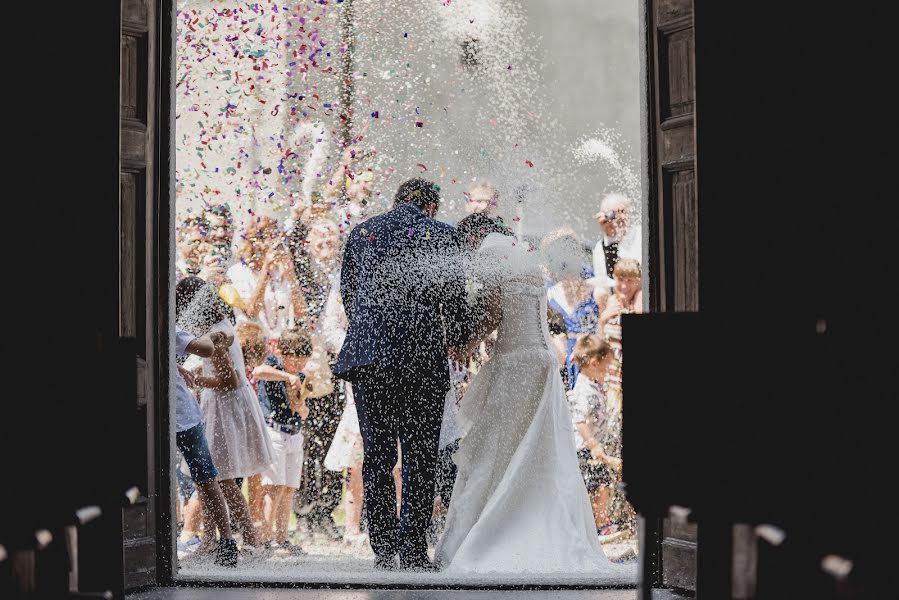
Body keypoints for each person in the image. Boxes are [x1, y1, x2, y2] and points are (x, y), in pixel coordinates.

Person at [434, 215, 625, 577]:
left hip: (515, 364)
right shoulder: (530, 265)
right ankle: (542, 521)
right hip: (544, 365)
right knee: (541, 449)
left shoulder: (495, 259)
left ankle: (496, 527)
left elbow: (492, 312)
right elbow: (546, 315)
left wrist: (467, 345)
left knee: (500, 447)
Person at [335, 178, 471, 571]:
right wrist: (460, 338)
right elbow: (454, 297)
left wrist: (373, 330)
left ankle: (382, 547)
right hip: (421, 360)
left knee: (377, 454)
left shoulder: (363, 232)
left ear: (396, 203)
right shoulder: (443, 234)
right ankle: (413, 548)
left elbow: (350, 293)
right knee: (420, 455)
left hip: (369, 357)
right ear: (431, 206)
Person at [176, 276, 273, 550]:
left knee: (223, 479)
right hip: (224, 405)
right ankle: (209, 541)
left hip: (224, 407)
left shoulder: (216, 336)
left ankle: (250, 541)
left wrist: (198, 379)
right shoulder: (221, 326)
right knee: (212, 478)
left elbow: (231, 381)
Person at [173, 326, 238, 567]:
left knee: (202, 479)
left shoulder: (145, 328)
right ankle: (227, 542)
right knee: (206, 479)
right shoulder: (169, 328)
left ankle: (225, 542)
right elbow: (207, 348)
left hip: (176, 415)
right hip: (183, 416)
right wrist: (211, 336)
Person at [252, 329, 316, 553]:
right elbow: (259, 371)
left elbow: (305, 411)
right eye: (293, 357)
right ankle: (265, 538)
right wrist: (286, 376)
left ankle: (282, 537)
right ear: (282, 353)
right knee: (273, 487)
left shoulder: (303, 377)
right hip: (274, 432)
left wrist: (301, 405)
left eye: (302, 358)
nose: (298, 362)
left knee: (288, 488)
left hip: (294, 433)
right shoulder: (273, 364)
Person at [569, 334, 621, 536]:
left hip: (592, 448)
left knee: (600, 485)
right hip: (585, 450)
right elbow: (580, 421)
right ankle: (599, 526)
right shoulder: (584, 390)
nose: (608, 371)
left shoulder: (594, 384)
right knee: (600, 487)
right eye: (606, 366)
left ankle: (596, 523)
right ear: (592, 364)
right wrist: (593, 445)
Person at [235, 321, 269, 532]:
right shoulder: (244, 369)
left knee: (243, 477)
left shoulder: (246, 369)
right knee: (245, 477)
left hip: (243, 425)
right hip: (246, 424)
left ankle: (248, 526)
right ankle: (250, 526)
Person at [591, 192, 641, 303]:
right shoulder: (601, 247)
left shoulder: (642, 235)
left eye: (623, 211)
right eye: (613, 214)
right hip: (618, 302)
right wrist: (608, 230)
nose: (620, 217)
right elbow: (604, 282)